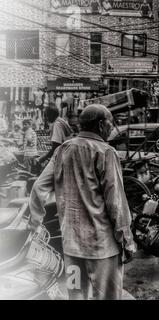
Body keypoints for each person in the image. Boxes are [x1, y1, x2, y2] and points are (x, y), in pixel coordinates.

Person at [28, 104, 136, 300]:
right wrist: (127, 240)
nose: (113, 128)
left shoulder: (62, 150)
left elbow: (38, 188)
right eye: (111, 123)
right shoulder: (106, 152)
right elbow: (116, 203)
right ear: (102, 124)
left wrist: (35, 224)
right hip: (102, 249)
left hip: (71, 247)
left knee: (76, 296)